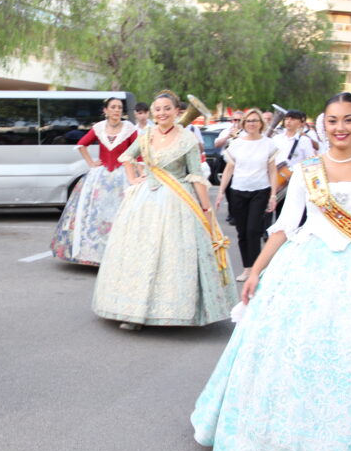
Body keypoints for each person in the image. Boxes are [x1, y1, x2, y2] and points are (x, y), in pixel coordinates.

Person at [191, 92, 351, 451]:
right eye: (332, 120)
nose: (339, 127)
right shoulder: (307, 168)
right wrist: (257, 270)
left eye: (348, 119)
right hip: (305, 265)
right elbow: (283, 225)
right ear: (322, 124)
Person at [92, 90, 238, 331]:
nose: (162, 113)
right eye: (157, 109)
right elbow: (127, 156)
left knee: (172, 255)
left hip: (178, 203)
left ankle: (174, 311)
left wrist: (205, 209)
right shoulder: (146, 134)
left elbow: (196, 176)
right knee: (140, 254)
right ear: (152, 112)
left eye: (167, 109)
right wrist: (133, 178)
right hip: (144, 201)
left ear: (177, 111)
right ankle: (133, 313)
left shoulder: (187, 140)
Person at [51, 97, 137, 266]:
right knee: (96, 215)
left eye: (119, 107)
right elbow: (81, 144)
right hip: (101, 178)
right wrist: (91, 162)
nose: (116, 110)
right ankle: (95, 254)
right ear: (105, 110)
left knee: (121, 214)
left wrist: (138, 173)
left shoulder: (129, 128)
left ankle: (121, 255)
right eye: (113, 107)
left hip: (123, 176)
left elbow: (138, 152)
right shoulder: (98, 128)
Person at [215, 109, 278, 281]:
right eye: (248, 121)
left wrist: (273, 195)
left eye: (255, 120)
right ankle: (247, 268)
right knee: (242, 231)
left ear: (261, 123)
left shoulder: (268, 144)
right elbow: (229, 170)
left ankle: (256, 269)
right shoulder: (236, 144)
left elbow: (272, 171)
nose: (252, 123)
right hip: (238, 190)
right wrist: (221, 192)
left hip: (260, 190)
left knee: (253, 230)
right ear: (243, 123)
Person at [271, 109, 314, 217]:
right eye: (287, 119)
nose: (288, 121)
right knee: (270, 208)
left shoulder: (304, 141)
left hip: (293, 180)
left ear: (300, 123)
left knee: (286, 211)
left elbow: (310, 161)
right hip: (275, 178)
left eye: (293, 119)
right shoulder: (276, 138)